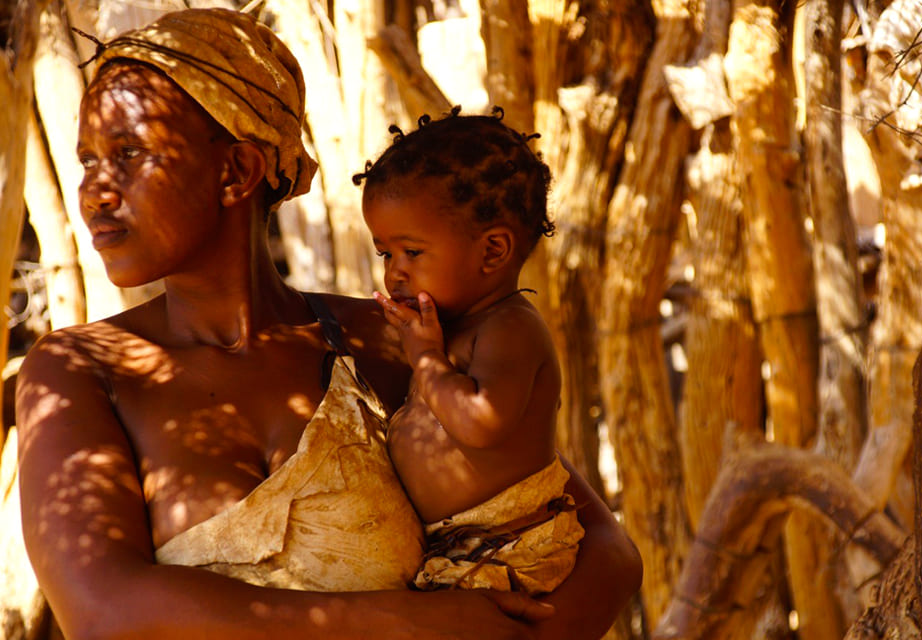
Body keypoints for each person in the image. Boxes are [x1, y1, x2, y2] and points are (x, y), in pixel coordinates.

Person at [14, 8, 642, 640]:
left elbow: (603, 554)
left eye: (128, 153)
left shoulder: (392, 340)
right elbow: (105, 613)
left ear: (237, 172)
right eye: (88, 159)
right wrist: (409, 623)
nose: (94, 190)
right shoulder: (78, 372)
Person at [355, 109, 583, 595]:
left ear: (493, 251)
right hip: (454, 554)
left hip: (509, 554)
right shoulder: (446, 327)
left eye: (411, 253)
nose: (395, 272)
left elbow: (482, 421)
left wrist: (426, 360)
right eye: (385, 255)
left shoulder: (511, 328)